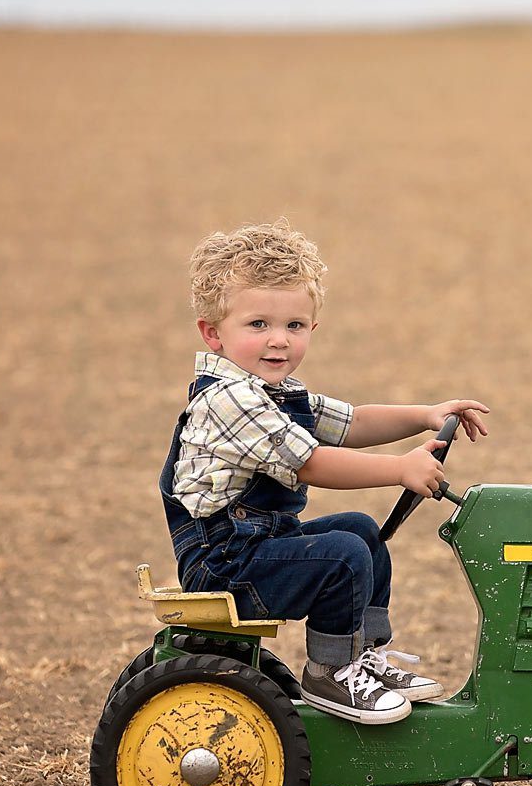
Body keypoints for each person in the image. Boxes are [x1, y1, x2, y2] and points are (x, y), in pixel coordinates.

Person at [159, 222, 489, 724]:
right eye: (258, 325)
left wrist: (425, 413)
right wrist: (400, 468)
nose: (278, 341)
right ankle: (329, 674)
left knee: (359, 530)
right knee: (342, 554)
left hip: (257, 549)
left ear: (312, 328)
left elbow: (352, 422)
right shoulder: (230, 399)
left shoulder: (277, 393)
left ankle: (364, 657)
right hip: (223, 563)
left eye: (293, 325)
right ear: (213, 333)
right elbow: (311, 461)